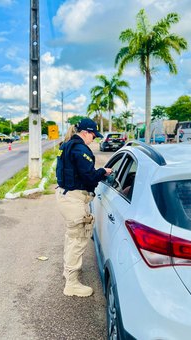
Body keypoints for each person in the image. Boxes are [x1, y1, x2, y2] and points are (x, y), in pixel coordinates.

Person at [55, 118, 113, 297]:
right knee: (78, 239)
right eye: (93, 136)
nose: (94, 139)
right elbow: (89, 177)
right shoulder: (80, 149)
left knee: (71, 238)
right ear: (86, 132)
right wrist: (103, 172)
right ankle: (71, 284)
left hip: (66, 196)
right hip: (73, 199)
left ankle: (68, 272)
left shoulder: (68, 144)